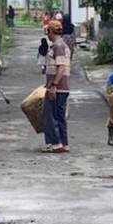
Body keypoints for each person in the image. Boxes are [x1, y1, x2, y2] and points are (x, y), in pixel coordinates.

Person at [42, 20, 71, 153]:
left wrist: (53, 85)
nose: (47, 34)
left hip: (58, 87)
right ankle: (64, 143)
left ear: (51, 32)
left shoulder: (58, 46)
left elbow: (61, 67)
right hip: (62, 86)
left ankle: (56, 143)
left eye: (48, 31)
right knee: (60, 116)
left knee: (50, 115)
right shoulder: (61, 45)